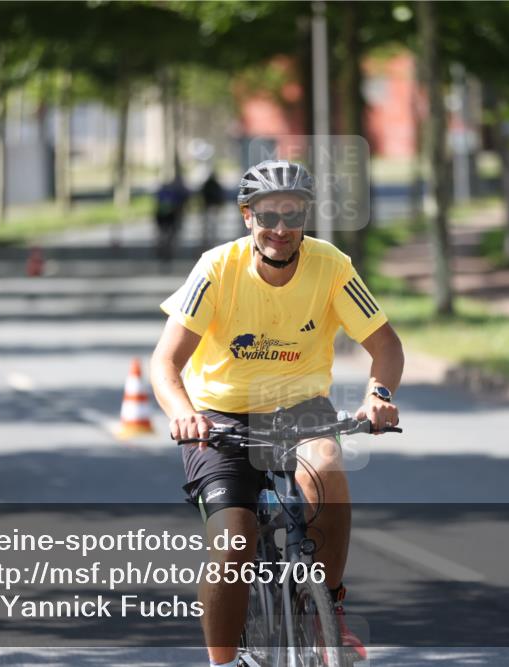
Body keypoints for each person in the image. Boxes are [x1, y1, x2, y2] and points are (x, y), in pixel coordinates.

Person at [150, 159, 404, 667]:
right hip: (220, 418)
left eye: (293, 215)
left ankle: (329, 611)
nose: (281, 228)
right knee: (233, 544)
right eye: (269, 215)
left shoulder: (331, 266)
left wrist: (378, 394)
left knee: (326, 468)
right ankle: (223, 663)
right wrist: (183, 413)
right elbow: (165, 362)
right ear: (248, 216)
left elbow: (386, 345)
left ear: (307, 216)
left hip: (301, 410)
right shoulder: (216, 268)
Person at [155, 176, 189, 263]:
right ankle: (167, 250)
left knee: (162, 234)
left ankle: (162, 248)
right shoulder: (174, 193)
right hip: (170, 215)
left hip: (161, 215)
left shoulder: (161, 193)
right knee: (170, 234)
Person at [199, 171, 225, 249]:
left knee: (207, 224)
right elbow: (220, 195)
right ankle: (211, 239)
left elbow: (202, 195)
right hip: (213, 206)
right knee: (213, 224)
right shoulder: (216, 185)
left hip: (208, 206)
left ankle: (206, 240)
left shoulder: (206, 184)